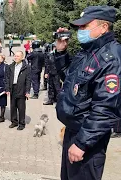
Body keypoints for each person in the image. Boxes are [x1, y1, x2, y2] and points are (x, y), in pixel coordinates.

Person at [54, 6, 121, 179]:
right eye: (79, 27)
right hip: (74, 132)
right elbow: (70, 80)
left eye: (85, 26)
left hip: (88, 139)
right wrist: (61, 51)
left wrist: (82, 143)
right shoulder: (88, 51)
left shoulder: (111, 59)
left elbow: (106, 108)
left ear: (103, 27)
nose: (80, 31)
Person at [6, 51, 31, 130]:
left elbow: (28, 80)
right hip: (13, 88)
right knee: (13, 106)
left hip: (21, 88)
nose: (16, 57)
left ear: (22, 57)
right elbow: (7, 78)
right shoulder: (11, 66)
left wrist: (27, 91)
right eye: (15, 56)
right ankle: (14, 121)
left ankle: (21, 123)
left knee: (21, 107)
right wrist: (7, 88)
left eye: (18, 56)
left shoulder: (26, 67)